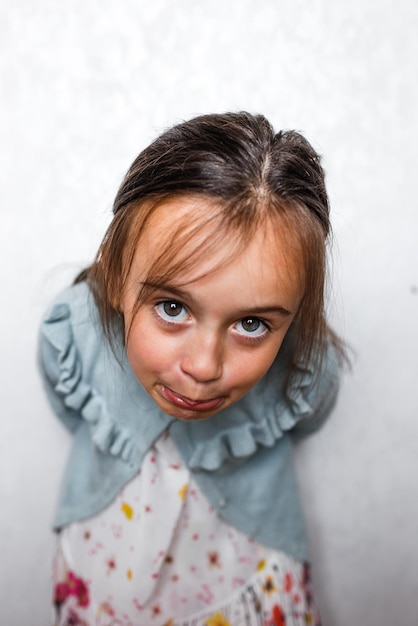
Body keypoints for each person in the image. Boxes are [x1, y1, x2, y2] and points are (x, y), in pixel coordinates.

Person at [38, 111, 345, 626]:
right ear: (115, 278)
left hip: (249, 573)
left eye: (251, 323)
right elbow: (68, 405)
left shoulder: (305, 365)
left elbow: (311, 413)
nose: (204, 368)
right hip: (106, 569)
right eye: (172, 308)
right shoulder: (73, 333)